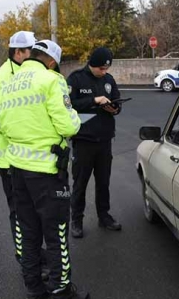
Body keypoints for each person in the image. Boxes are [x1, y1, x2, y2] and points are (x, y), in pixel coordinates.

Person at [0, 39, 90, 299]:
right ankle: (61, 294)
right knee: (57, 232)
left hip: (17, 172)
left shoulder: (8, 82)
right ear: (51, 60)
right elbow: (68, 126)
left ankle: (33, 289)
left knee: (28, 231)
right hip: (48, 173)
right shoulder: (52, 80)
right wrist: (70, 117)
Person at [0, 31, 35, 268]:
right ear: (18, 52)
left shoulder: (24, 74)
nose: (33, 56)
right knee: (18, 210)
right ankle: (23, 256)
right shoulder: (0, 80)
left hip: (24, 157)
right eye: (30, 52)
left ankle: (32, 253)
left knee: (30, 210)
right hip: (8, 159)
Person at [67, 47, 123, 239]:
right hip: (84, 141)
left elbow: (117, 102)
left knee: (103, 182)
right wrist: (94, 100)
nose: (104, 72)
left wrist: (114, 108)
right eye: (101, 68)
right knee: (80, 183)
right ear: (92, 64)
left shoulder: (109, 80)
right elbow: (68, 105)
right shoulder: (75, 79)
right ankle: (76, 220)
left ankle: (104, 216)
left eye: (106, 68)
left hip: (104, 140)